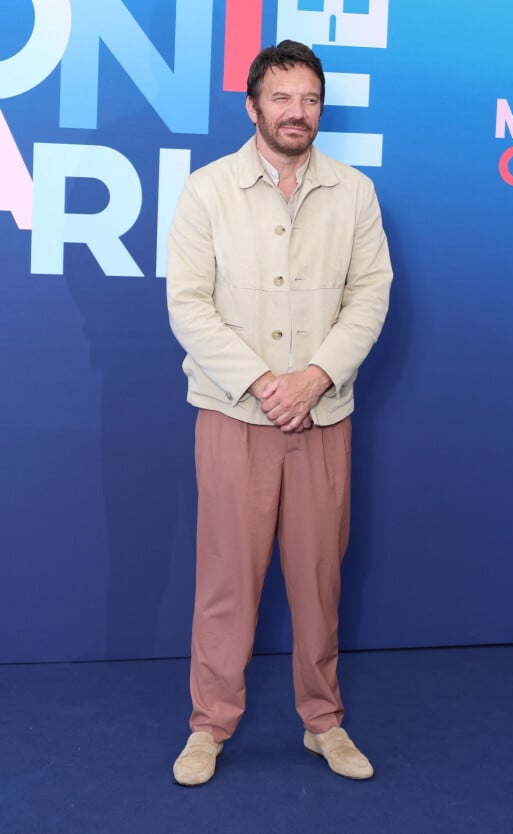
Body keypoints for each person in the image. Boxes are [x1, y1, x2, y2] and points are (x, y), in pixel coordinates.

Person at [166, 39, 393, 786]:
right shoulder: (207, 190)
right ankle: (210, 727)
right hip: (233, 415)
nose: (297, 112)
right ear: (253, 106)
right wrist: (266, 382)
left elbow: (370, 295)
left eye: (311, 100)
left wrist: (316, 377)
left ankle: (322, 721)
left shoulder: (354, 192)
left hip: (323, 418)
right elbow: (189, 305)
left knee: (318, 577)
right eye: (283, 98)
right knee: (227, 579)